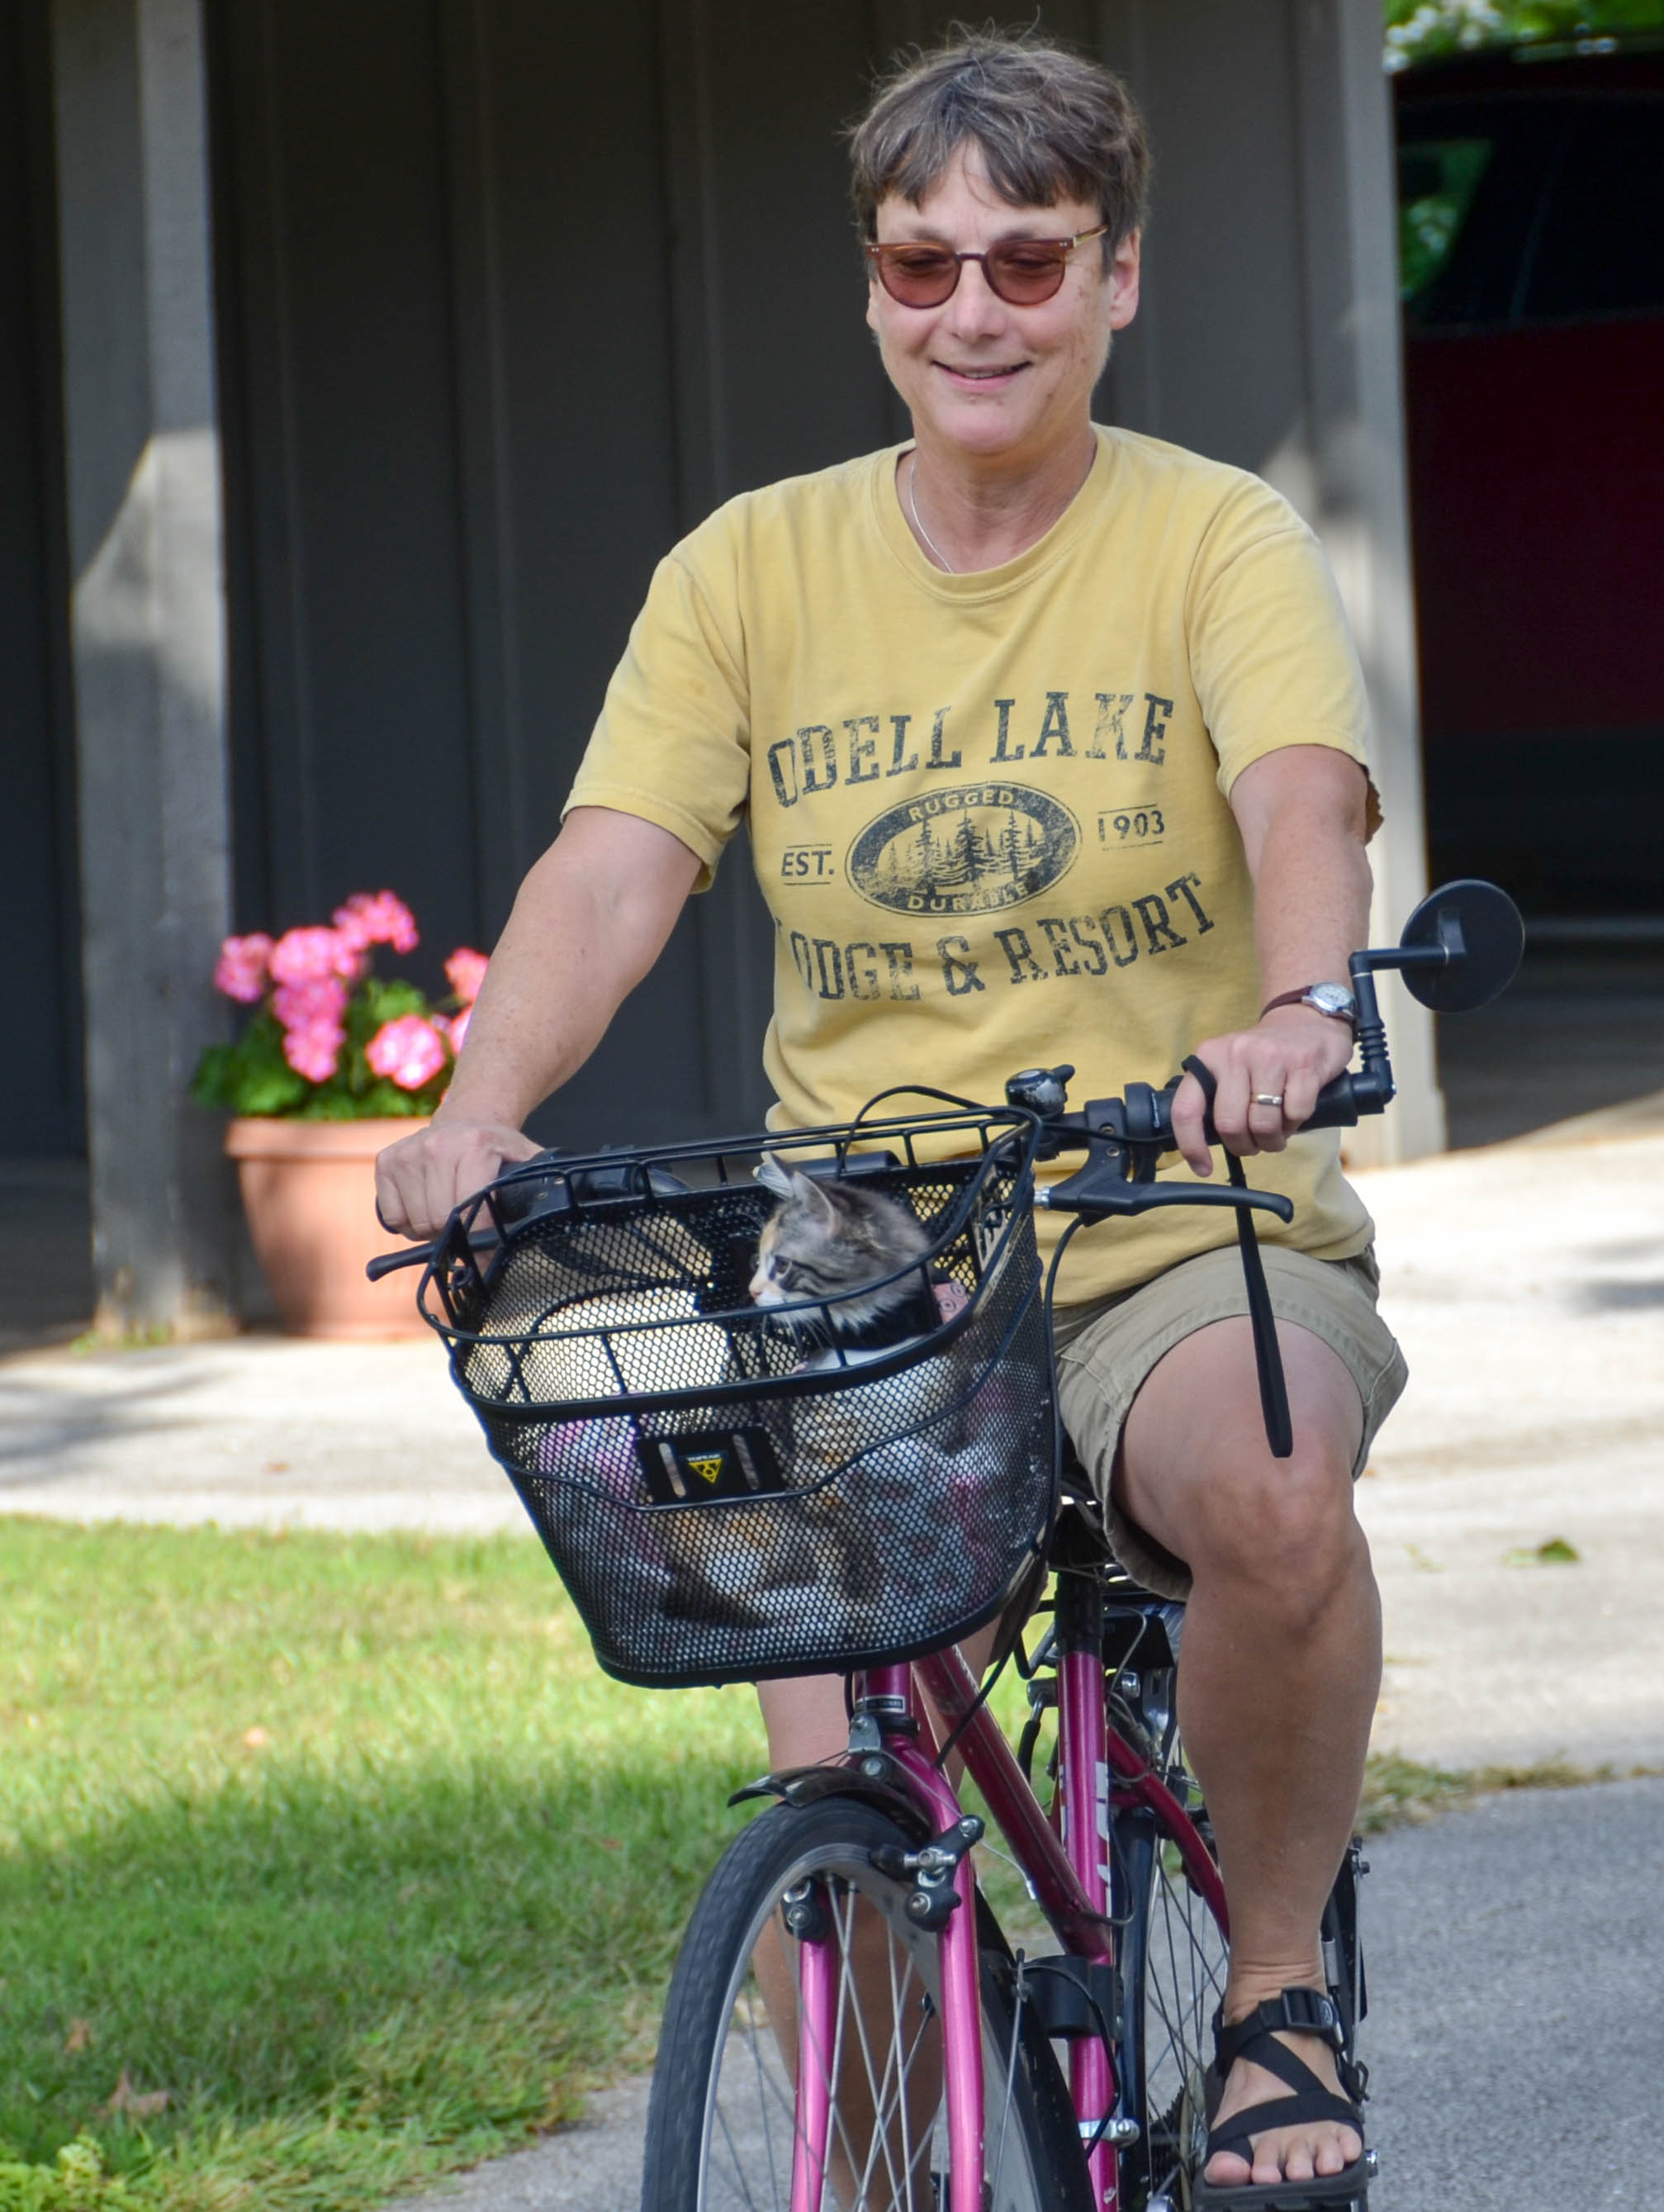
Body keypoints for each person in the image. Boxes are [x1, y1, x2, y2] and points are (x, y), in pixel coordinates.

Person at [374, 32, 1394, 2205]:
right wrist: (477, 1107)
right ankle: (880, 2119)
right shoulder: (748, 571)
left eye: (1027, 260)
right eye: (922, 264)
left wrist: (1297, 1014)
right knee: (823, 1757)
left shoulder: (1216, 539)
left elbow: (1300, 796)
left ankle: (1279, 1987)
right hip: (860, 1257)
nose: (973, 311)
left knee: (1272, 1489)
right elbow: (616, 868)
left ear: (1119, 279)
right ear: (870, 289)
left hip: (1168, 1202)